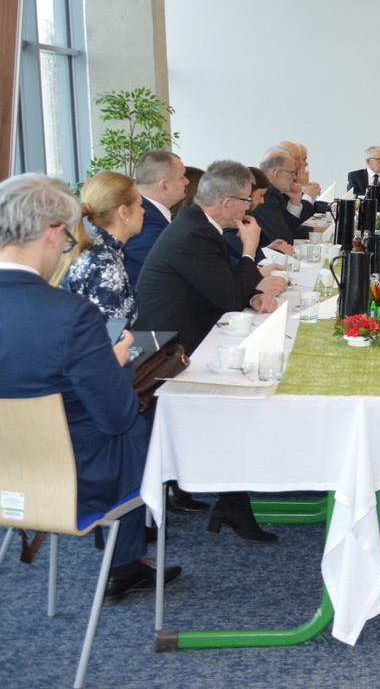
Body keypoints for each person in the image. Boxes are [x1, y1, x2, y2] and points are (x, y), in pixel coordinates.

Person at [0, 174, 182, 602]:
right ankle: (125, 562)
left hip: (9, 470)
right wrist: (113, 363)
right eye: (67, 241)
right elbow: (117, 416)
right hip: (70, 476)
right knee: (143, 425)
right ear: (53, 233)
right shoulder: (70, 316)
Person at [133, 160, 287, 538]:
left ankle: (232, 502)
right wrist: (250, 250)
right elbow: (229, 295)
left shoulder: (197, 224)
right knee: (237, 395)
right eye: (246, 201)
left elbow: (224, 287)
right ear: (226, 202)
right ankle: (231, 503)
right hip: (168, 349)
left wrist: (252, 295)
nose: (249, 208)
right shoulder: (195, 234)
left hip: (185, 334)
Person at [57, 171, 144, 322]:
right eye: (140, 205)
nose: (143, 211)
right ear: (124, 212)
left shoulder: (93, 248)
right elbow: (113, 331)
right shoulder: (105, 262)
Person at [122, 149, 188, 285]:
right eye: (182, 177)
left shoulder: (151, 214)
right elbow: (179, 269)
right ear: (164, 186)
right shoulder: (143, 221)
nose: (187, 182)